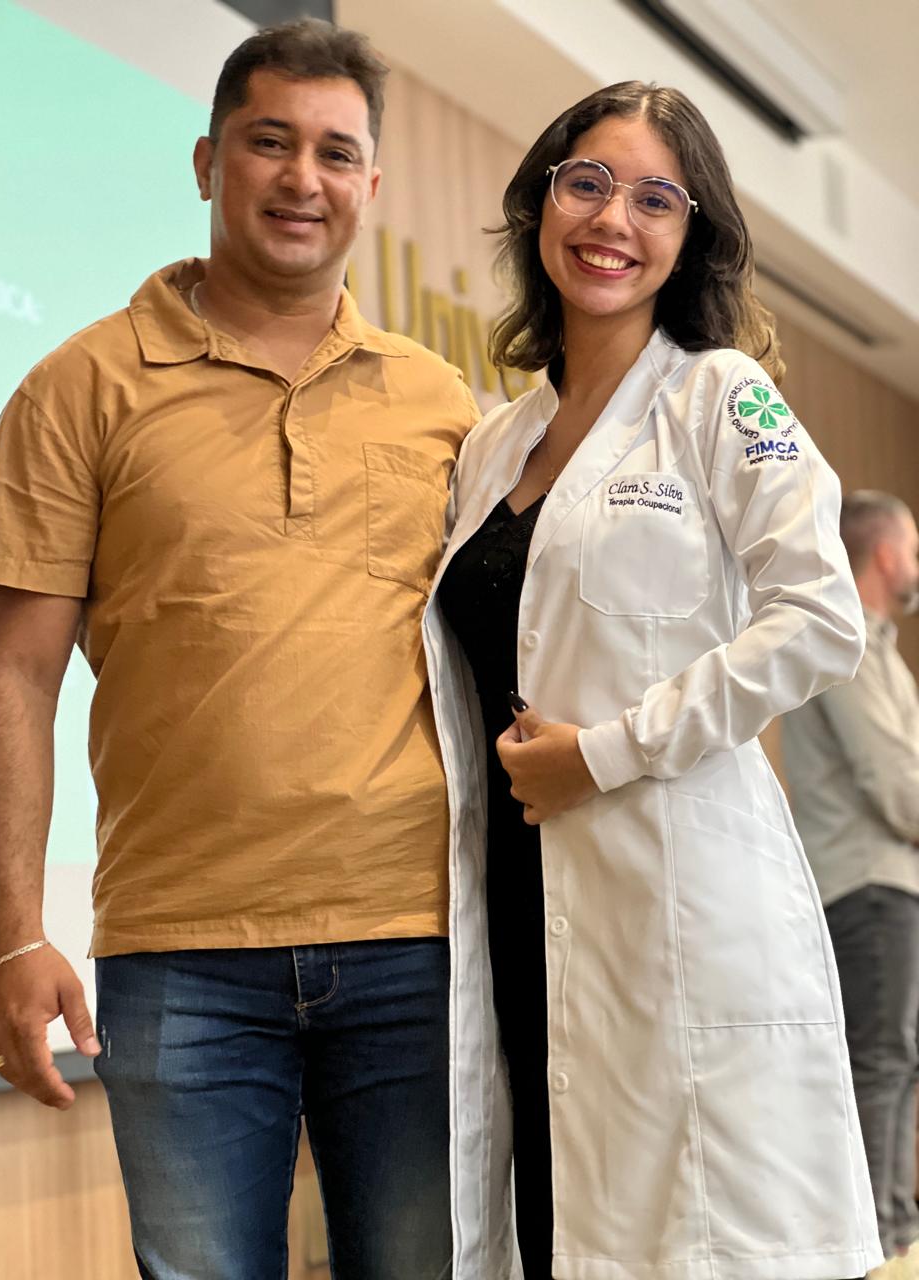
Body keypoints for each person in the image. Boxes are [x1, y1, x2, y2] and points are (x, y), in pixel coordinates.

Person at [0, 20, 476, 1280]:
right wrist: (13, 935)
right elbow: (16, 675)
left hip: (415, 937)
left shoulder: (442, 402)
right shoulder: (78, 385)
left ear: (370, 183)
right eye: (269, 142)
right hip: (180, 951)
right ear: (206, 161)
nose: (304, 178)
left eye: (336, 153)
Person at [423, 82, 883, 1280]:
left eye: (655, 198)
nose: (612, 219)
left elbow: (821, 616)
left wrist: (606, 751)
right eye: (587, 182)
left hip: (676, 893)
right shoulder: (495, 441)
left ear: (692, 234)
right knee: (555, 1233)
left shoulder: (723, 396)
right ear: (541, 202)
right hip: (520, 899)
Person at [782, 490, 919, 1270]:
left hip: (886, 885)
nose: (916, 563)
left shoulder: (879, 647)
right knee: (880, 1063)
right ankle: (877, 1247)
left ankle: (894, 1235)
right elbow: (895, 786)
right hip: (867, 888)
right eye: (914, 549)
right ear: (887, 555)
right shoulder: (849, 642)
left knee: (896, 1061)